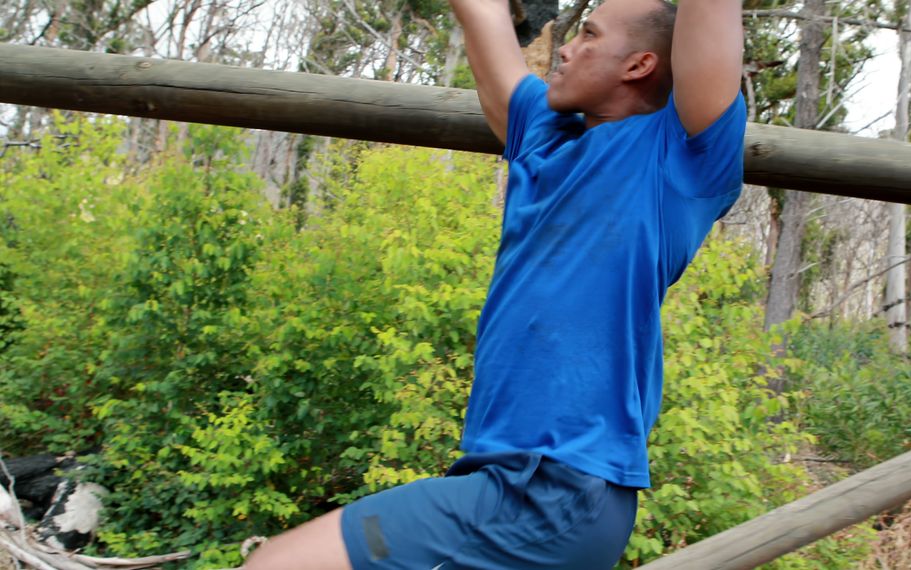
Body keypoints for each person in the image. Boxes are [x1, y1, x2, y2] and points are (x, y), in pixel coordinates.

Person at [244, 0, 745, 567]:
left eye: (588, 34)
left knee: (279, 562)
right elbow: (480, 12)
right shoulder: (542, 140)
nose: (564, 46)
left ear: (638, 65)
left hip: (555, 490)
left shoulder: (677, 159)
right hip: (519, 482)